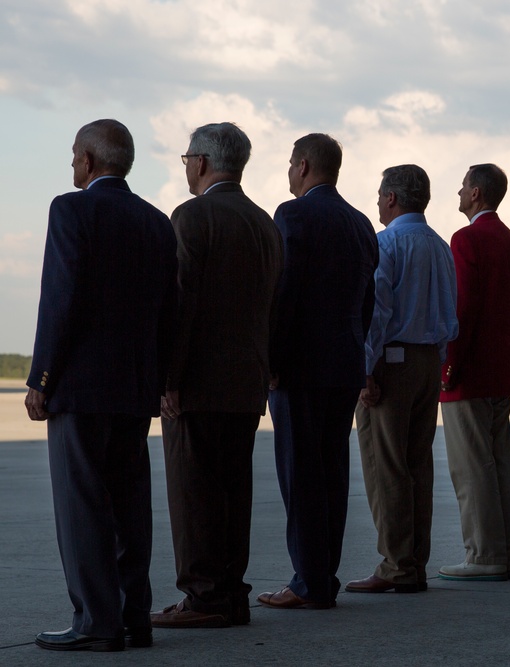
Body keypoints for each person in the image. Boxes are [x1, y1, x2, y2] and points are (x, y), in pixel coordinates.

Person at [26, 120, 177, 652]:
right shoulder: (157, 222)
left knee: (82, 506)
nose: (71, 166)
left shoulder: (71, 210)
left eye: (73, 156)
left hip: (82, 389)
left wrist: (42, 378)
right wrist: (158, 381)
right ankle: (135, 616)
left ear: (89, 160)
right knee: (130, 506)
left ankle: (96, 621)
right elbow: (169, 313)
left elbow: (59, 301)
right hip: (135, 390)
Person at [152, 122, 284, 628]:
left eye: (187, 158)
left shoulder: (192, 216)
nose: (186, 166)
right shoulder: (264, 223)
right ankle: (230, 593)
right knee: (233, 492)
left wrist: (169, 377)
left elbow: (182, 303)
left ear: (202, 162)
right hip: (246, 381)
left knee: (193, 494)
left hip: (199, 382)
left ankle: (204, 597)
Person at [257, 135, 378, 610]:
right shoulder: (361, 222)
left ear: (304, 166)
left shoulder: (293, 215)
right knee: (331, 473)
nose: (289, 173)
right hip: (345, 362)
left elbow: (284, 293)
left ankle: (308, 582)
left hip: (301, 366)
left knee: (301, 475)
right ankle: (322, 575)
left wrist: (273, 359)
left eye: (291, 164)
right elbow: (367, 301)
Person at [348, 164, 458, 593]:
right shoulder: (440, 246)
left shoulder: (388, 243)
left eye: (380, 194)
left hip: (391, 362)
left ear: (392, 198)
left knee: (386, 466)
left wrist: (366, 368)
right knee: (417, 465)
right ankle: (414, 562)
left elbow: (377, 312)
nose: (377, 201)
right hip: (429, 358)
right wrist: (439, 358)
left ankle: (395, 563)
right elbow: (450, 314)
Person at [438, 164, 510, 582]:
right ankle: (503, 552)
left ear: (475, 193)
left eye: (462, 187)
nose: (458, 193)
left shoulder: (467, 239)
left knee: (472, 468)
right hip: (499, 371)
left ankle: (483, 554)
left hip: (469, 373)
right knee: (497, 467)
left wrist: (448, 366)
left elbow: (463, 308)